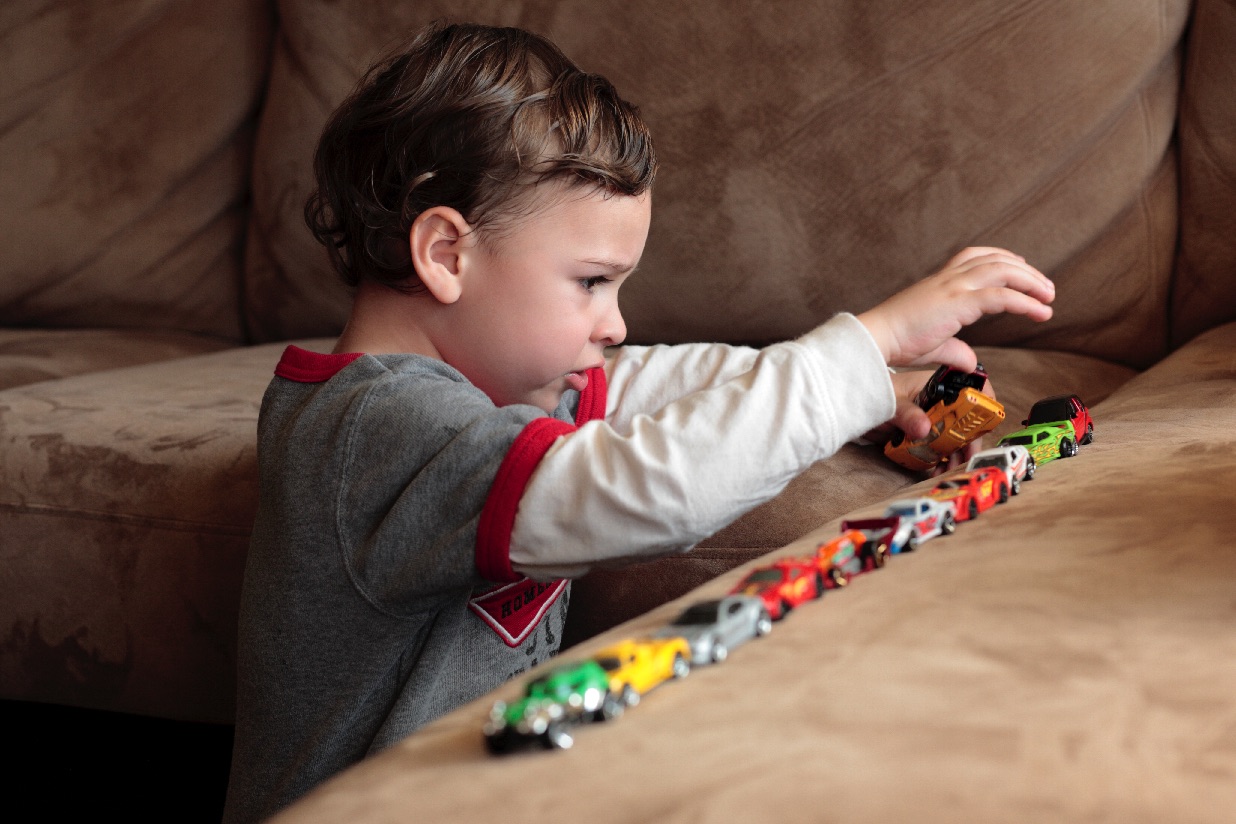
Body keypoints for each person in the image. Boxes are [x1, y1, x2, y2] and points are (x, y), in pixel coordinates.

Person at [222, 21, 1055, 823]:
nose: (614, 323)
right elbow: (645, 487)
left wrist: (874, 394)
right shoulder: (372, 430)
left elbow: (647, 383)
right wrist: (865, 345)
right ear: (446, 254)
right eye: (590, 282)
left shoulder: (498, 393)